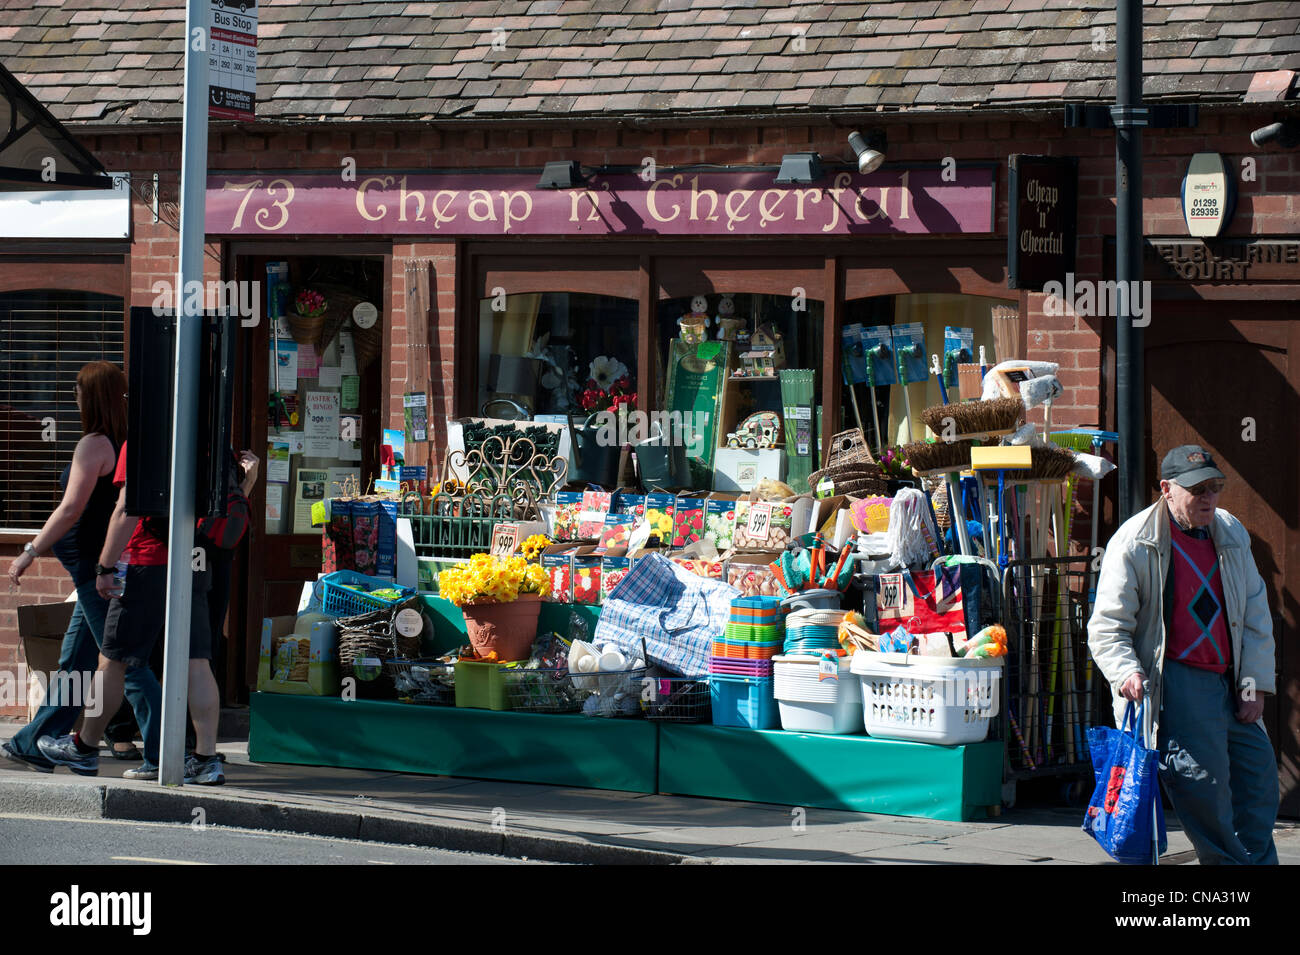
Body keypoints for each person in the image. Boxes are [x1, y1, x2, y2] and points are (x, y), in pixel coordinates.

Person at [1088, 444, 1278, 865]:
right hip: (1178, 681)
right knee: (1204, 789)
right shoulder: (1136, 541)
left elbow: (1255, 614)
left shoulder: (1229, 531)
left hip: (1231, 678)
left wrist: (1254, 685)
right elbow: (1107, 626)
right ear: (1167, 489)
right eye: (1198, 489)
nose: (1209, 497)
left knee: (1259, 780)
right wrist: (1125, 672)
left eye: (1214, 487)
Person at [2, 363, 160, 778]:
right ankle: (34, 742)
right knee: (76, 661)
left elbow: (70, 509)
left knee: (126, 662)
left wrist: (30, 551)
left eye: (76, 389)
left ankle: (167, 750)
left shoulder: (93, 444)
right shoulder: (125, 441)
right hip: (99, 567)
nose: (73, 396)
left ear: (90, 396)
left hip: (96, 571)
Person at [37, 440, 223, 785]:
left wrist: (104, 566)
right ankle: (206, 760)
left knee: (112, 661)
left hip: (145, 564)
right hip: (194, 561)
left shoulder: (144, 437)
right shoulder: (207, 439)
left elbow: (126, 509)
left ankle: (84, 746)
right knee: (196, 661)